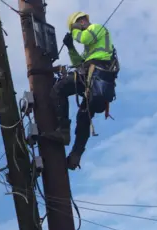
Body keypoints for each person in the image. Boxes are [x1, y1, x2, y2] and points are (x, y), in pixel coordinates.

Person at [44, 12, 119, 170]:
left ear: (83, 21)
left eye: (77, 24)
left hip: (96, 75)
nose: (78, 27)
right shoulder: (91, 47)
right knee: (83, 117)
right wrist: (70, 46)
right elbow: (79, 63)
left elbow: (84, 38)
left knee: (59, 88)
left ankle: (63, 130)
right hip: (94, 81)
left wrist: (73, 30)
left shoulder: (96, 28)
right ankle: (75, 155)